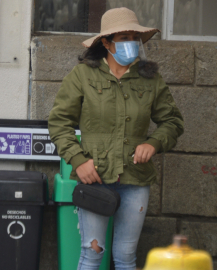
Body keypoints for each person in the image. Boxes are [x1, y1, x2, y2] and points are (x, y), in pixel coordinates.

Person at [48, 7, 184, 270]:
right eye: (124, 38)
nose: (131, 43)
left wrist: (153, 143)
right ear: (106, 43)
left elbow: (173, 122)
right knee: (92, 253)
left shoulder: (151, 80)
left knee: (125, 257)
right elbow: (58, 122)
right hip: (95, 178)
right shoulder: (82, 76)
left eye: (134, 37)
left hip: (136, 179)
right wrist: (78, 160)